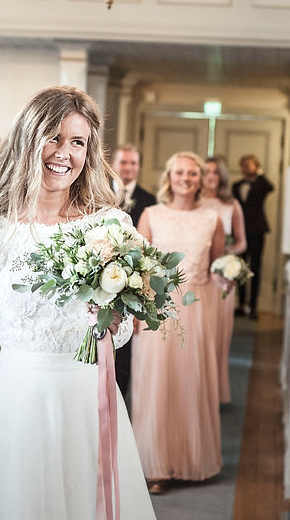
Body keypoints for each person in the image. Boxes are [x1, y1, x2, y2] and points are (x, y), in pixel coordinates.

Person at [0, 86, 156, 520]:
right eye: (53, 137)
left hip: (84, 402)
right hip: (11, 404)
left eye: (78, 142)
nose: (64, 153)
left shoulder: (112, 225)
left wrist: (113, 322)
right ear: (28, 139)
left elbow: (124, 331)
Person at [131, 151, 225, 494]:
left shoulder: (213, 219)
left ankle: (191, 460)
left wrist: (228, 277)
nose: (186, 178)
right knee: (156, 385)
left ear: (201, 180)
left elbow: (216, 267)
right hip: (157, 309)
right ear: (169, 177)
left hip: (197, 310)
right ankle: (155, 466)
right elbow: (137, 268)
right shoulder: (151, 215)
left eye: (192, 173)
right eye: (180, 173)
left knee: (191, 383)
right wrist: (137, 313)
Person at [202, 156, 247, 403]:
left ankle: (216, 391)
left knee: (218, 334)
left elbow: (242, 242)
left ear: (222, 176)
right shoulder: (194, 202)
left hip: (221, 278)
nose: (210, 176)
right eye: (206, 172)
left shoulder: (232, 205)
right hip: (199, 275)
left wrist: (225, 256)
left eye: (215, 172)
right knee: (200, 333)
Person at [112, 144, 156, 397]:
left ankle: (121, 394)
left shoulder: (149, 200)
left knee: (126, 343)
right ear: (114, 164)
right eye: (123, 162)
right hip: (99, 273)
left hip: (133, 279)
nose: (128, 168)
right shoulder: (96, 193)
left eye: (133, 163)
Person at [232, 154, 274, 320]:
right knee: (240, 268)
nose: (246, 168)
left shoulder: (261, 184)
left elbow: (271, 187)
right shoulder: (237, 185)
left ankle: (253, 306)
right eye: (244, 165)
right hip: (240, 230)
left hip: (257, 231)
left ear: (256, 166)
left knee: (255, 268)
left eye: (249, 165)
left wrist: (260, 173)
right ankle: (241, 304)